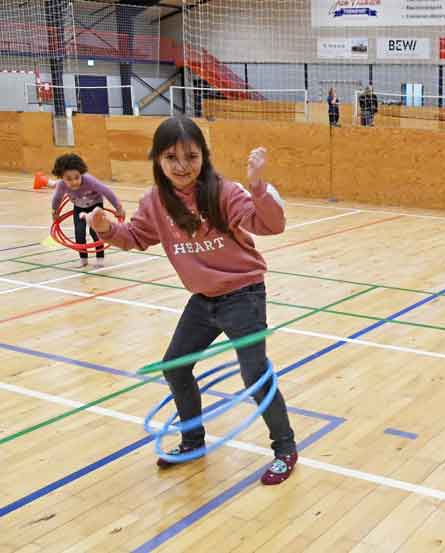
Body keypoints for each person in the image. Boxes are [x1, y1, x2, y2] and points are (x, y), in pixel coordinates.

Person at [83, 116, 298, 485]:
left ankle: (285, 448)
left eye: (191, 157)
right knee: (175, 367)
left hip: (243, 295)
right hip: (203, 299)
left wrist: (258, 187)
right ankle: (193, 440)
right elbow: (135, 236)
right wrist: (105, 228)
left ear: (204, 157)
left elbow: (270, 225)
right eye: (171, 158)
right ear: (157, 159)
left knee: (254, 373)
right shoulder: (155, 201)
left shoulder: (223, 192)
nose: (182, 166)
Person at [50, 153, 124, 268]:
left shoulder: (89, 180)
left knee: (96, 231)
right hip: (78, 208)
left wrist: (118, 208)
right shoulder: (61, 185)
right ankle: (83, 259)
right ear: (61, 177)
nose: (74, 182)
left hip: (95, 207)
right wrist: (55, 211)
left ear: (81, 173)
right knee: (79, 233)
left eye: (77, 177)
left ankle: (100, 258)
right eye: (69, 179)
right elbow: (57, 198)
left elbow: (106, 191)